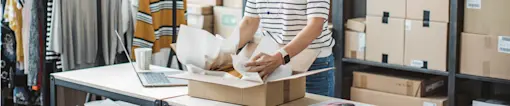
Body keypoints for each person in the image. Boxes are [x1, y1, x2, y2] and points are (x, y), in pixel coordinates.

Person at [215, 0, 335, 97]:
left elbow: (315, 25)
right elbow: (249, 21)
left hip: (312, 62)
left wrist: (281, 56)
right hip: (273, 61)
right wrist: (223, 53)